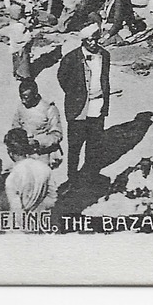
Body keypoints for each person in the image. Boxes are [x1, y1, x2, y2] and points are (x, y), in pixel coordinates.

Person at [57, 17, 111, 184]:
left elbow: (105, 79)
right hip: (78, 109)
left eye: (95, 40)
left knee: (94, 144)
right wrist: (76, 94)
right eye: (89, 41)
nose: (93, 44)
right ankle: (72, 177)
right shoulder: (71, 58)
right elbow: (62, 78)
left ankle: (90, 175)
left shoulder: (105, 55)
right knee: (75, 146)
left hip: (97, 106)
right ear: (83, 40)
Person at [3, 128, 58, 218]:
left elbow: (16, 210)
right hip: (40, 221)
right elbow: (52, 198)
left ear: (10, 153)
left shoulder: (12, 177)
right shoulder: (45, 168)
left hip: (21, 227)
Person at [11, 78, 63, 169]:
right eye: (21, 97)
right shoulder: (20, 108)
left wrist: (38, 142)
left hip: (43, 154)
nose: (23, 101)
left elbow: (56, 134)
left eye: (26, 98)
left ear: (35, 95)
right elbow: (15, 128)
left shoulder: (49, 108)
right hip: (25, 154)